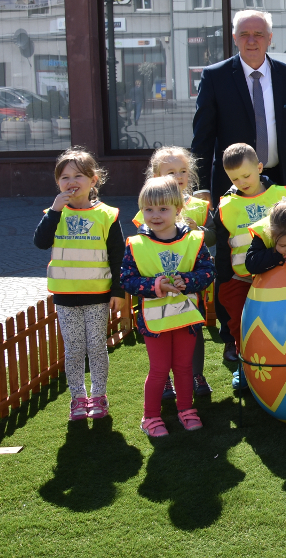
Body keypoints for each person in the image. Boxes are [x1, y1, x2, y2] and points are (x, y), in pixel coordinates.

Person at [191, 9, 286, 204]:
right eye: (244, 34)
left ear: (269, 38)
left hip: (278, 182)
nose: (251, 41)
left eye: (258, 34)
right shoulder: (215, 77)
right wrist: (200, 187)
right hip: (232, 186)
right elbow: (203, 138)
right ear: (235, 38)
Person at [33, 148, 126, 422]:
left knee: (96, 346)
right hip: (66, 296)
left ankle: (99, 396)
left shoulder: (107, 215)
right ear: (57, 183)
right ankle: (78, 398)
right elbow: (40, 242)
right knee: (74, 349)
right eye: (64, 177)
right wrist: (54, 211)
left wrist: (118, 292)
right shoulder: (55, 213)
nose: (71, 181)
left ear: (93, 180)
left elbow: (118, 256)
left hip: (98, 295)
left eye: (78, 175)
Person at [121, 176, 215, 437]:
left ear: (178, 209)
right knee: (160, 369)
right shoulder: (135, 245)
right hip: (155, 321)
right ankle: (150, 416)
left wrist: (187, 281)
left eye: (163, 209)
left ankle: (186, 409)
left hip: (185, 318)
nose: (155, 215)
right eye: (149, 209)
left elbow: (208, 272)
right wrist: (155, 286)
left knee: (184, 367)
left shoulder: (195, 240)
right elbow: (127, 280)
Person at [132, 146, 215, 398]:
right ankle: (165, 378)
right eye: (171, 172)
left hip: (189, 285)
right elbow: (142, 245)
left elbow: (213, 238)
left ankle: (196, 374)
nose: (179, 176)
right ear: (156, 176)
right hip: (158, 288)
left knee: (192, 328)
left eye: (183, 171)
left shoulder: (199, 206)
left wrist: (198, 228)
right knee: (160, 331)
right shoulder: (147, 209)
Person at [215, 142, 286, 388]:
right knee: (241, 326)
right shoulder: (225, 204)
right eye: (234, 179)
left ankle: (282, 365)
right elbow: (223, 246)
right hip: (239, 278)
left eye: (246, 175)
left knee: (277, 324)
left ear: (259, 167)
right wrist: (225, 280)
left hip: (277, 274)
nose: (242, 182)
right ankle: (245, 368)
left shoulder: (281, 194)